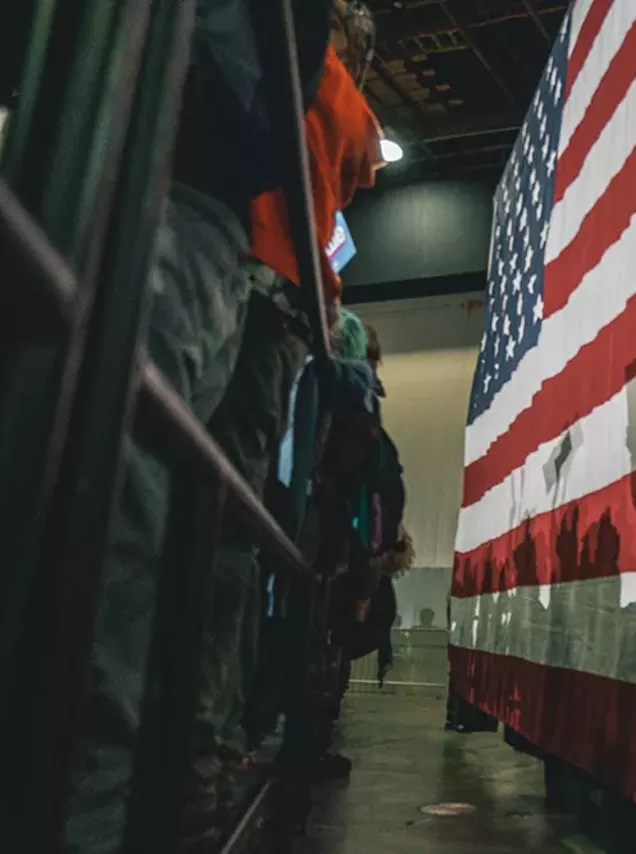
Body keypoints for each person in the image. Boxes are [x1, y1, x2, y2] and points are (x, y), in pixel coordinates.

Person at [63, 3, 335, 852]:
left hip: (180, 200)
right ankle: (182, 771)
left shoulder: (297, 88)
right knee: (167, 538)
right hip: (214, 230)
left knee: (115, 538)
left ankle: (138, 793)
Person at [182, 4, 384, 844]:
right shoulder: (353, 111)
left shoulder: (286, 65)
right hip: (281, 307)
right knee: (233, 520)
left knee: (186, 499)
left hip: (222, 257)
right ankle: (202, 740)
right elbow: (355, 171)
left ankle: (190, 735)